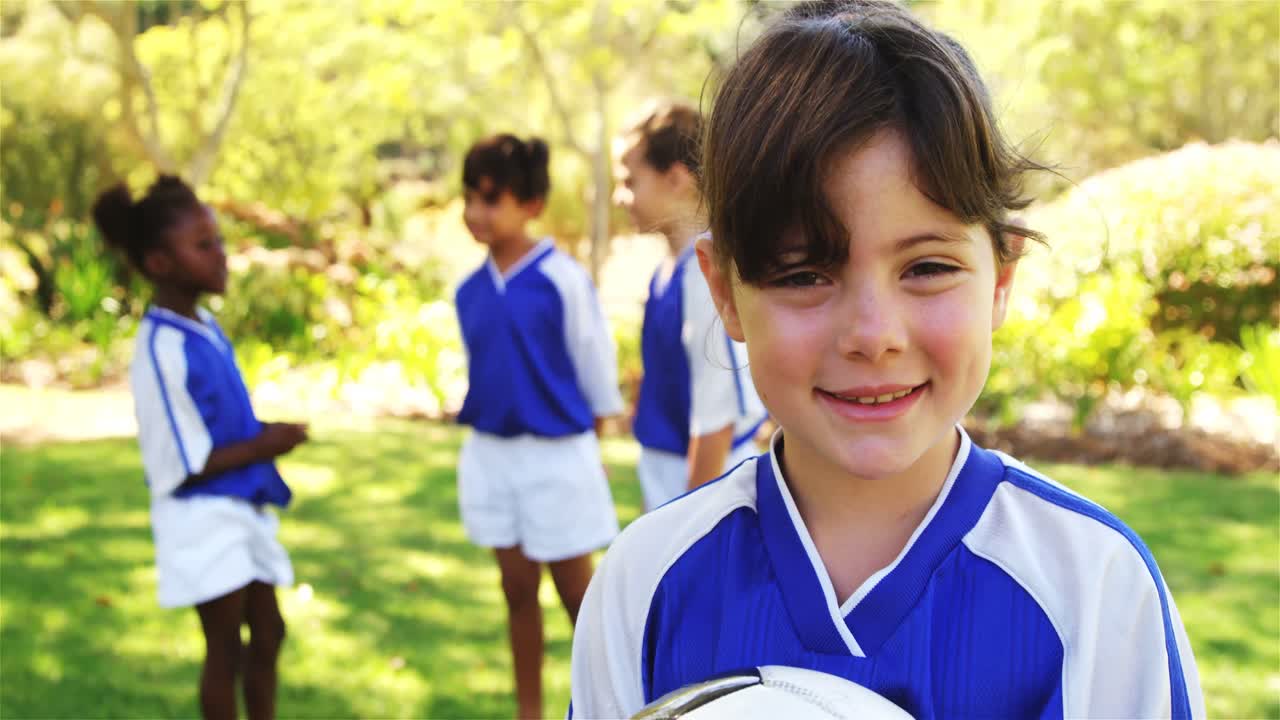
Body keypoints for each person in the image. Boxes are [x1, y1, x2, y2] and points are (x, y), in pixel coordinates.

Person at [569, 3, 1205, 719]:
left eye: (927, 267)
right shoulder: (646, 582)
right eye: (803, 274)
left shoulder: (1095, 589)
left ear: (1000, 277)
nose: (873, 334)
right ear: (725, 292)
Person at [93, 176, 307, 720]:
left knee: (268, 632)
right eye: (203, 245)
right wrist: (267, 444)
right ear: (160, 262)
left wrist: (265, 431)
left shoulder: (203, 326)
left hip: (238, 506)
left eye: (219, 241)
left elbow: (217, 423)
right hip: (200, 516)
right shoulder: (161, 347)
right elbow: (185, 462)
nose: (221, 255)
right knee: (225, 649)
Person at [454, 134, 624, 719]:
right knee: (516, 592)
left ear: (529, 203)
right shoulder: (469, 291)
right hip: (491, 457)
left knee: (579, 595)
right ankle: (530, 711)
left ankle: (612, 705)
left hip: (558, 456)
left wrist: (593, 444)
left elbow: (594, 366)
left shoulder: (561, 279)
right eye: (468, 199)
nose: (476, 213)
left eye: (490, 198)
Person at [613, 102, 767, 511]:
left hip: (702, 483)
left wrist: (693, 521)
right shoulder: (670, 272)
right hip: (666, 474)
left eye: (630, 181)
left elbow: (715, 419)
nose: (619, 197)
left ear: (676, 178)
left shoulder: (705, 278)